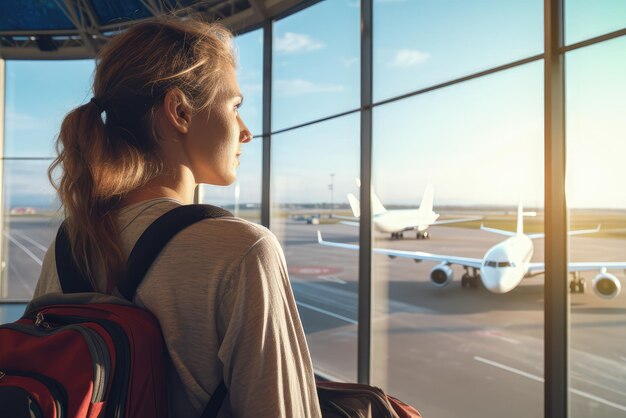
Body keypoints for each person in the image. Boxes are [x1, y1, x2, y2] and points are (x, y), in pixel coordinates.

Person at [32, 17, 322, 418]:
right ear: (180, 111)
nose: (246, 132)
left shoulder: (68, 245)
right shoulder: (241, 250)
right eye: (234, 106)